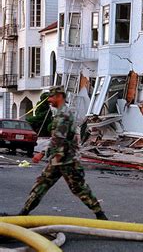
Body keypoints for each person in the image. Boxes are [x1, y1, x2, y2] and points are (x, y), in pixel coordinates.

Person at [18, 86, 108, 220]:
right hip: (58, 159)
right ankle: (23, 213)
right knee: (41, 184)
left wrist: (42, 154)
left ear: (59, 96)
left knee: (79, 188)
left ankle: (100, 215)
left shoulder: (64, 115)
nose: (49, 100)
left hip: (67, 160)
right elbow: (57, 140)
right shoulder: (61, 113)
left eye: (51, 97)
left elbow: (58, 140)